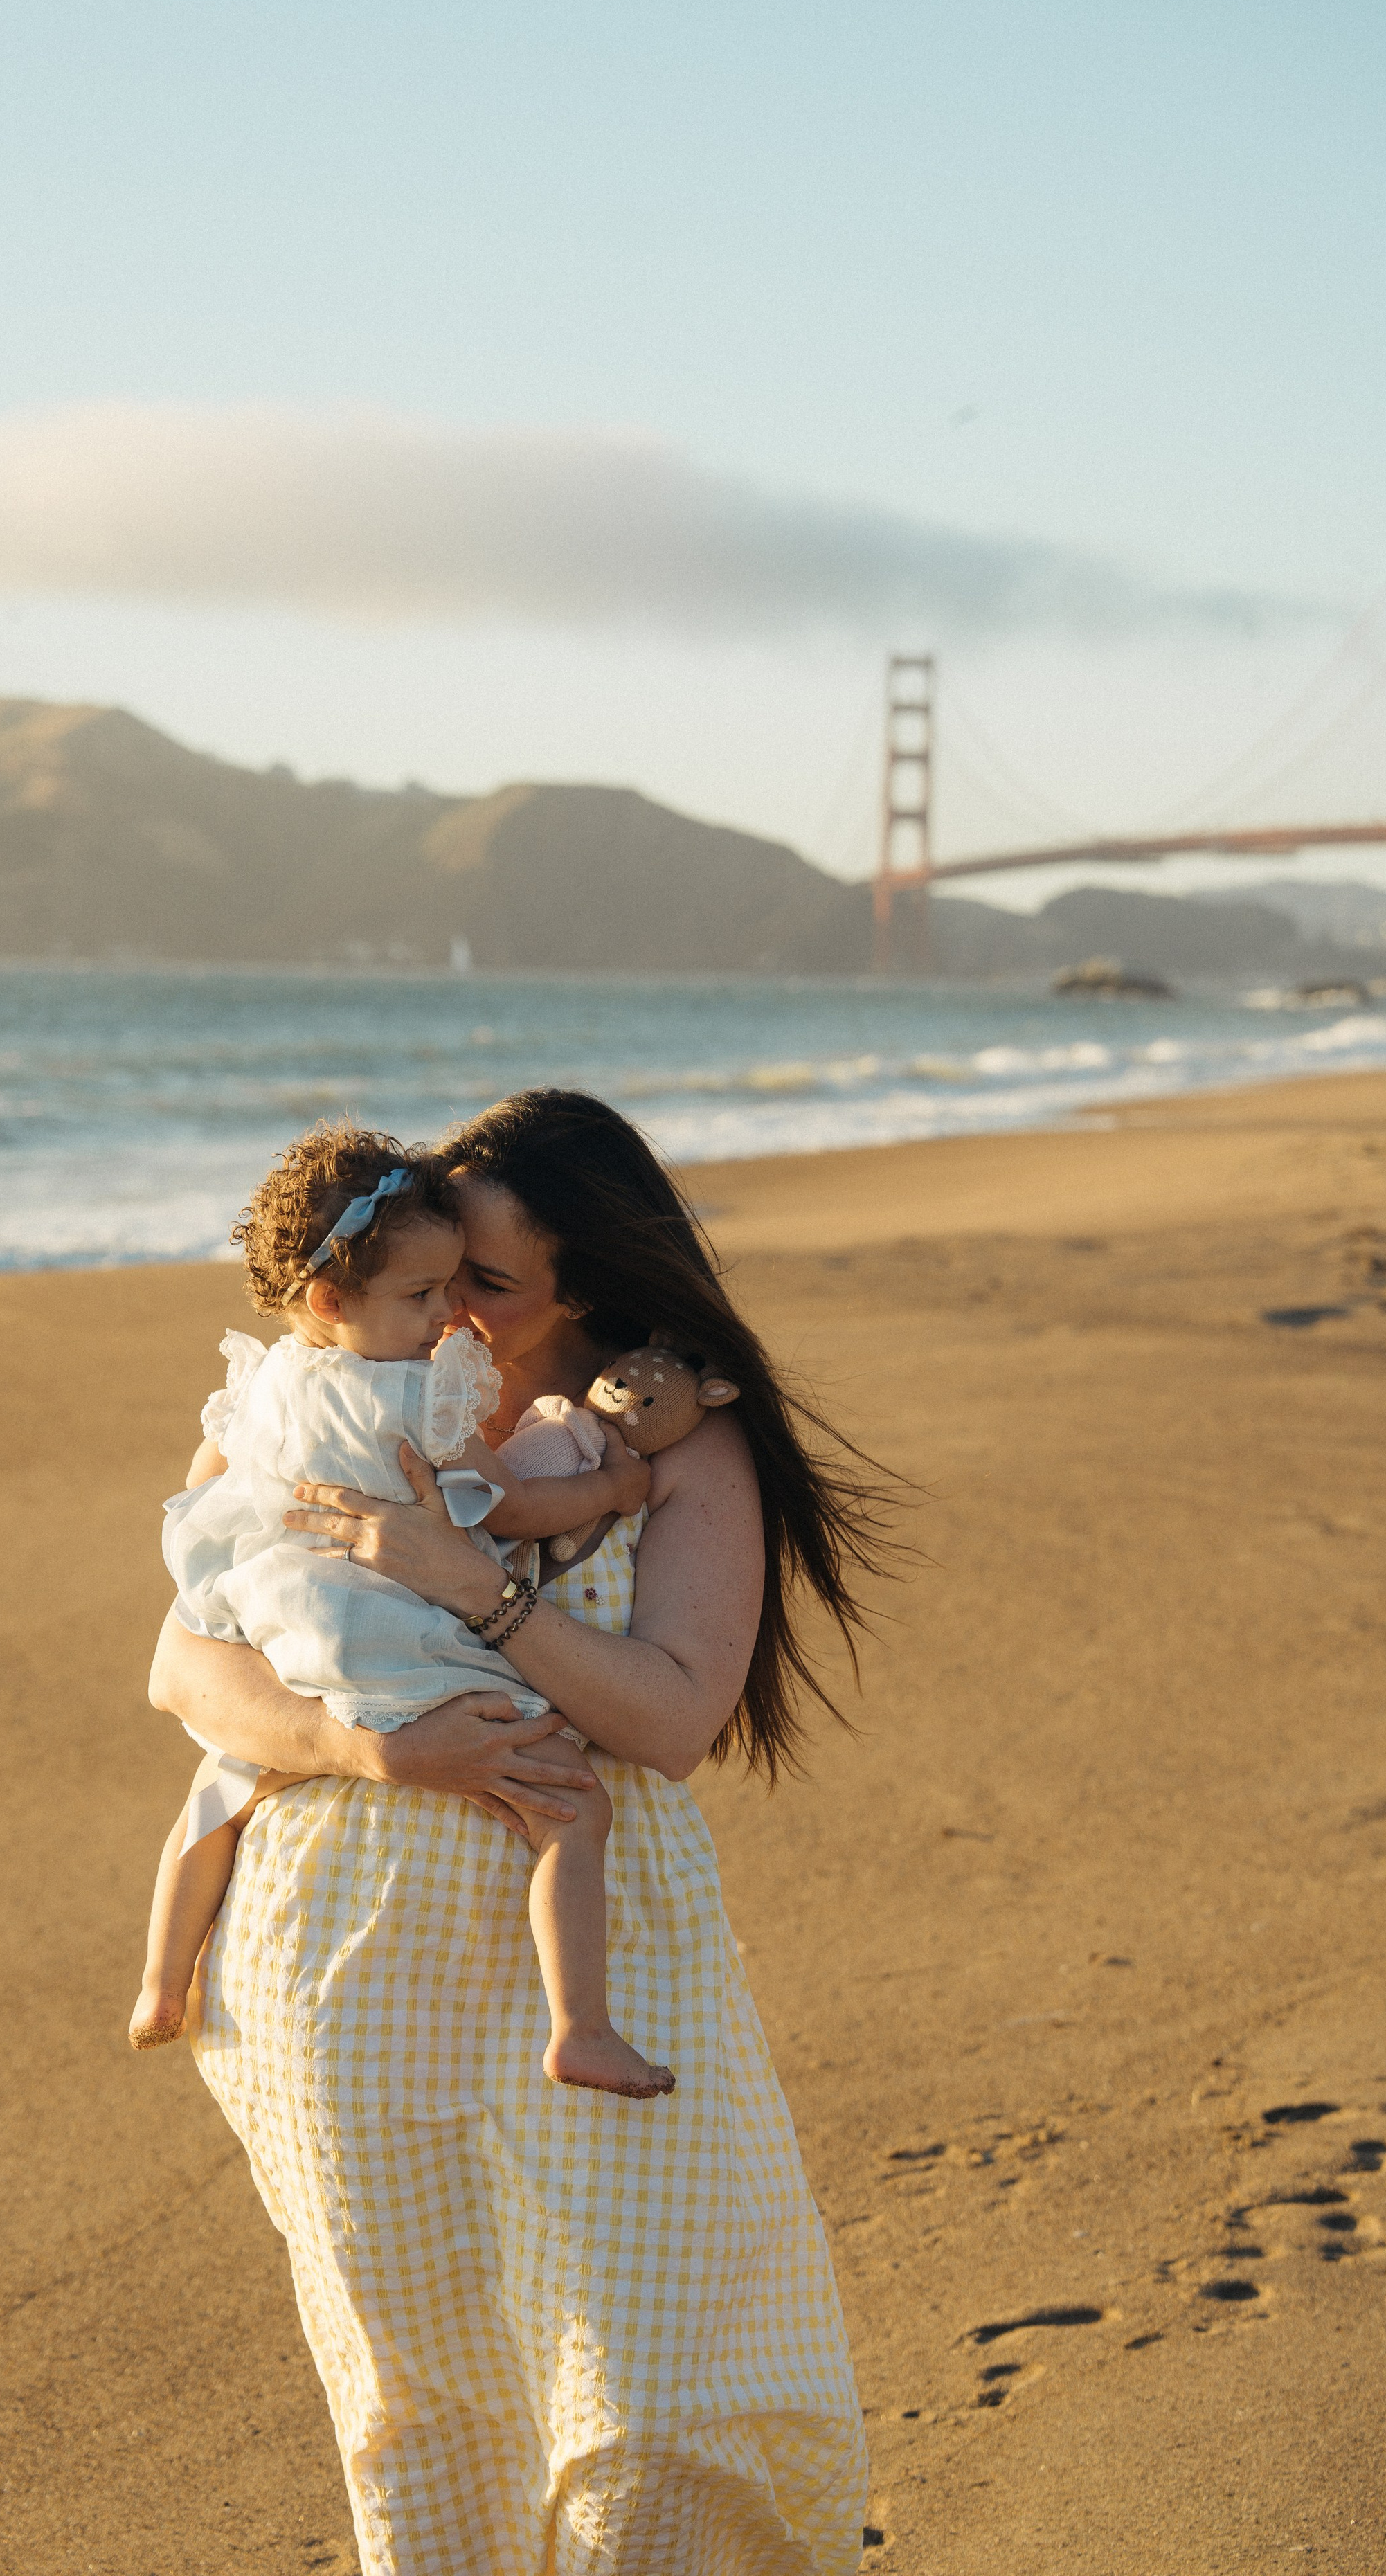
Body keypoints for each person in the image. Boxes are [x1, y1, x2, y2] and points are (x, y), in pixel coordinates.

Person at [147, 1089, 883, 2575]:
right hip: (341, 1963)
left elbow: (671, 1716)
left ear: (586, 1286)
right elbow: (180, 1666)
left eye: (487, 1281)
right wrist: (368, 1745)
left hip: (595, 1960)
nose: (454, 1313)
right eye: (437, 1273)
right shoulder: (308, 1402)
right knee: (418, 2402)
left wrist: (472, 1587)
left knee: (664, 2390)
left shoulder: (672, 1444)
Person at [131, 1122, 672, 2098]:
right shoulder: (423, 1397)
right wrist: (610, 1490)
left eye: (460, 1285)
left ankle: (163, 1983)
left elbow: (206, 1493)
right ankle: (581, 2027)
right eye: (424, 1294)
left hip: (283, 1628)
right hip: (392, 1631)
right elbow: (509, 1506)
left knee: (223, 1786)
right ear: (333, 1300)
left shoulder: (261, 1383)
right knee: (571, 1807)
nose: (445, 1313)